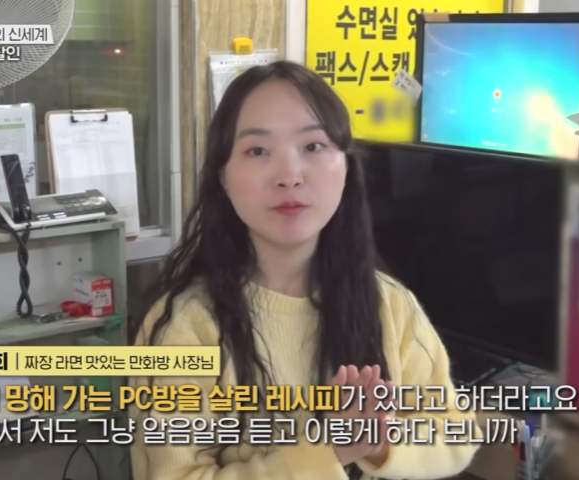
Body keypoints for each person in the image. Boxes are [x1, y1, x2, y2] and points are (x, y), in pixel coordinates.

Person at [130, 60, 480, 480]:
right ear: (223, 176)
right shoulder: (185, 326)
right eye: (257, 151)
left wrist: (380, 444)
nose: (289, 176)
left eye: (313, 146)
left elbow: (455, 432)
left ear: (346, 166)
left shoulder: (388, 302)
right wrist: (330, 449)